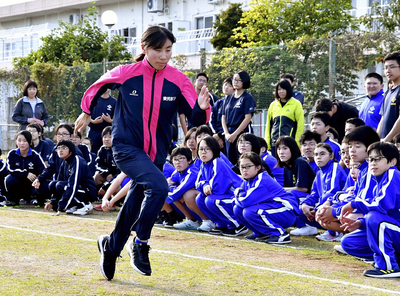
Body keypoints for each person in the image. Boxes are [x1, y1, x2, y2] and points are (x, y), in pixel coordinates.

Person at [74, 26, 211, 280]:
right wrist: (85, 110)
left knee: (135, 203)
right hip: (126, 147)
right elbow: (98, 85)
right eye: (158, 50)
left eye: (168, 50)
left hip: (157, 152)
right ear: (144, 49)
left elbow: (195, 114)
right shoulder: (128, 73)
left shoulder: (178, 80)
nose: (163, 55)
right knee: (159, 187)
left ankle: (111, 247)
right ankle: (141, 243)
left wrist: (202, 110)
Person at [339, 142, 400, 278]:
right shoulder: (378, 181)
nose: (372, 163)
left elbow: (380, 206)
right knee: (348, 243)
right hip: (395, 229)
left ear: (392, 162)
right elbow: (385, 214)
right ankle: (394, 259)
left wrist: (354, 204)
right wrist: (360, 223)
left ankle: (388, 267)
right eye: (370, 159)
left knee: (373, 217)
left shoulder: (393, 174)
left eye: (378, 159)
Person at [315, 126, 380, 238]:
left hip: (378, 217)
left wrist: (335, 211)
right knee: (326, 221)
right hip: (364, 212)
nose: (352, 150)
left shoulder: (373, 170)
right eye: (350, 147)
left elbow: (363, 203)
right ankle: (360, 237)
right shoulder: (363, 169)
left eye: (357, 146)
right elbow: (352, 196)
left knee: (350, 218)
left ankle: (368, 240)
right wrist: (328, 205)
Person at [234, 152, 299, 244]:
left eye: (248, 166)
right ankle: (261, 233)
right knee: (237, 209)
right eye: (242, 167)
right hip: (273, 208)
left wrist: (237, 193)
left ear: (258, 167)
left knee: (249, 211)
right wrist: (238, 194)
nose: (244, 170)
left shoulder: (262, 179)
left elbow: (244, 201)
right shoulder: (248, 180)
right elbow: (241, 197)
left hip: (286, 212)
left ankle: (280, 234)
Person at [290, 143, 346, 237]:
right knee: (299, 208)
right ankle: (307, 227)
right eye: (316, 154)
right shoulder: (319, 173)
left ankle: (335, 232)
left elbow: (332, 193)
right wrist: (305, 205)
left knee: (322, 210)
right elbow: (314, 194)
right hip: (322, 206)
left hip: (336, 205)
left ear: (331, 156)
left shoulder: (335, 167)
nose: (318, 157)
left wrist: (316, 209)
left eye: (322, 154)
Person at [195, 136, 246, 236]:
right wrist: (205, 184)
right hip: (225, 196)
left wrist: (207, 186)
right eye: (201, 149)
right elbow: (198, 183)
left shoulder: (217, 162)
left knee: (211, 200)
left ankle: (238, 225)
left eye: (207, 149)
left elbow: (218, 188)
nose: (203, 152)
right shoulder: (203, 164)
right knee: (200, 199)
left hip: (238, 197)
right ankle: (221, 224)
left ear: (214, 149)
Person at [40, 140, 96, 216]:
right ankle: (75, 205)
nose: (60, 150)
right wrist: (53, 202)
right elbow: (60, 181)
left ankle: (85, 204)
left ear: (71, 150)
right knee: (53, 184)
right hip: (77, 190)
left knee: (61, 185)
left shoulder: (77, 161)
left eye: (64, 148)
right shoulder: (64, 162)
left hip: (87, 191)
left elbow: (73, 184)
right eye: (58, 148)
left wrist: (61, 208)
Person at [221, 70, 256, 164]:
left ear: (244, 81)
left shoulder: (247, 98)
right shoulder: (228, 98)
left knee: (242, 160)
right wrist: (227, 133)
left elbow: (247, 118)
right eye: (234, 79)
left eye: (239, 80)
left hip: (241, 133)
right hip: (228, 134)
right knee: (230, 161)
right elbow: (223, 117)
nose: (235, 82)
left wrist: (235, 134)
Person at [5, 131, 47, 207]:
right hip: (18, 182)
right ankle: (13, 200)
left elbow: (44, 171)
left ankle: (35, 199)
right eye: (19, 140)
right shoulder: (12, 154)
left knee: (43, 183)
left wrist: (38, 179)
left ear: (30, 142)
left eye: (25, 141)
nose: (22, 143)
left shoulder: (35, 155)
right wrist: (25, 173)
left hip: (31, 184)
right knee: (9, 179)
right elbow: (10, 169)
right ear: (16, 142)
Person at [265, 79, 304, 157]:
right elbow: (268, 125)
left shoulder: (296, 104)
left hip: (289, 144)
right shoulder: (273, 105)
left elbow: (300, 125)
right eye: (279, 89)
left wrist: (296, 143)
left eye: (283, 89)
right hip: (275, 144)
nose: (281, 91)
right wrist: (268, 143)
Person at [276, 136, 315, 203]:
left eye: (285, 148)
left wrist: (278, 190)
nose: (281, 152)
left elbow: (303, 189)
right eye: (279, 149)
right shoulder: (286, 167)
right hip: (296, 198)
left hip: (309, 198)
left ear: (292, 149)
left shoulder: (299, 162)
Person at [377, 52, 400, 142]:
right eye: (386, 68)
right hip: (385, 144)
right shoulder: (388, 92)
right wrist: (377, 139)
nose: (388, 70)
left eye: (392, 67)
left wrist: (388, 139)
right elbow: (383, 118)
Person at [88, 89, 116, 154]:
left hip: (108, 133)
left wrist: (110, 120)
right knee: (92, 152)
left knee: (107, 153)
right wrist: (93, 121)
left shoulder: (114, 102)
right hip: (94, 132)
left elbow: (118, 119)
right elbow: (85, 115)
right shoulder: (93, 99)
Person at [211, 77, 234, 153]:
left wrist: (221, 135)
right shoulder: (218, 103)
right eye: (225, 84)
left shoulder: (237, 103)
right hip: (217, 138)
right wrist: (217, 136)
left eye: (229, 86)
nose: (226, 87)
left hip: (231, 137)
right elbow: (212, 121)